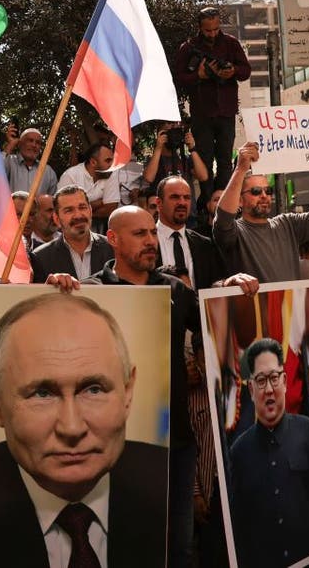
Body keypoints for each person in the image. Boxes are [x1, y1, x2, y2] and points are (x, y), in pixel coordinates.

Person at [81, 206, 257, 568]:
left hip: (174, 441)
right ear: (112, 239)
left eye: (151, 233)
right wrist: (57, 292)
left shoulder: (173, 288)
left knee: (178, 545)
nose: (150, 242)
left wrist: (229, 285)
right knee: (122, 545)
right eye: (139, 234)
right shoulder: (91, 293)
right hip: (113, 447)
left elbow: (210, 313)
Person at [0, 292, 168, 566]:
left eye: (94, 389)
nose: (71, 428)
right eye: (42, 394)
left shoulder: (166, 483)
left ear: (128, 392)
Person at [228, 339, 309, 568]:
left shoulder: (307, 431)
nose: (269, 389)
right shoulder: (238, 452)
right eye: (260, 380)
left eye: (274, 378)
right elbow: (239, 526)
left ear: (285, 382)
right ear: (251, 389)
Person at [213, 141, 309, 282]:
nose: (264, 195)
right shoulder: (235, 232)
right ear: (239, 200)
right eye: (256, 191)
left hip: (291, 304)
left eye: (268, 190)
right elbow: (223, 219)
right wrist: (240, 170)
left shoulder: (287, 224)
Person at [171, 7, 251, 207]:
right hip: (202, 113)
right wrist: (199, 76)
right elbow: (178, 78)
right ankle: (207, 202)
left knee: (225, 159)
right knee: (204, 159)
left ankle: (223, 201)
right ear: (200, 27)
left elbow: (246, 71)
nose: (213, 34)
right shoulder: (188, 47)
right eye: (208, 31)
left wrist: (232, 71)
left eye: (216, 29)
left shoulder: (231, 43)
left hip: (226, 111)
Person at [154, 175, 227, 289]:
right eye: (175, 197)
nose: (182, 202)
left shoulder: (205, 244)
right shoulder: (144, 243)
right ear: (159, 203)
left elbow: (214, 285)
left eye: (187, 197)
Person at [30, 185, 114, 283]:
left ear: (90, 211)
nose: (78, 215)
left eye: (82, 207)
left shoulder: (113, 249)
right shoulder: (41, 257)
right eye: (69, 210)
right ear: (57, 219)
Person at [56, 142, 121, 232]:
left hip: (99, 230)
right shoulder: (70, 175)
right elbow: (65, 209)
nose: (112, 165)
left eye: (112, 161)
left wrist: (82, 210)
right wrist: (101, 202)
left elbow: (110, 208)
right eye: (108, 160)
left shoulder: (110, 173)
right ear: (93, 162)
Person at [140, 123, 209, 197]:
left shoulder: (185, 159)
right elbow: (149, 178)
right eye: (169, 131)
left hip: (187, 207)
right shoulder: (154, 160)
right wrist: (158, 147)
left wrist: (192, 148)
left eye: (177, 131)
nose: (173, 135)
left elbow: (203, 177)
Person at [2, 126, 58, 196]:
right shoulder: (9, 162)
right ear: (20, 144)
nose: (34, 145)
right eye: (30, 141)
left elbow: (53, 200)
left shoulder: (48, 171)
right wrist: (11, 145)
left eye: (38, 143)